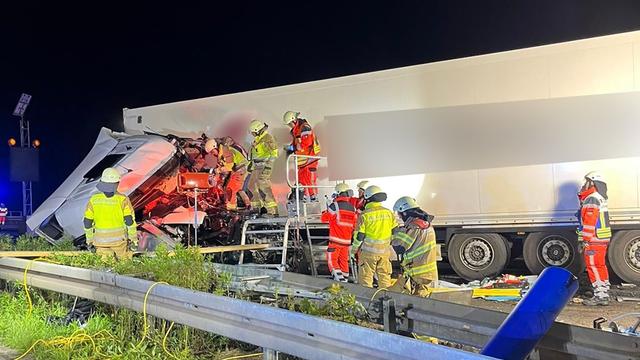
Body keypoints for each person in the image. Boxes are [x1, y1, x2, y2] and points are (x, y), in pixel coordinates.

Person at [83, 168, 138, 260]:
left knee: (106, 265)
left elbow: (87, 222)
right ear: (117, 183)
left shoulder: (93, 200)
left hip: (100, 243)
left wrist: (89, 240)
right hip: (119, 242)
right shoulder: (122, 199)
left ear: (102, 182)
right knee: (123, 266)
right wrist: (133, 239)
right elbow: (129, 221)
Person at [352, 185, 398, 288]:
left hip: (368, 253)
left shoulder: (364, 215)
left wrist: (353, 251)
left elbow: (359, 236)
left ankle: (368, 302)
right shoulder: (388, 213)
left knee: (366, 281)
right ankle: (386, 300)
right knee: (385, 280)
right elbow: (395, 231)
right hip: (385, 253)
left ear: (367, 198)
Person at [392, 196, 438, 297]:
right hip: (426, 272)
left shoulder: (414, 226)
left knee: (402, 297)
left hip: (417, 273)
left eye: (400, 214)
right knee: (420, 298)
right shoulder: (426, 224)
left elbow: (399, 247)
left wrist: (396, 234)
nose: (399, 217)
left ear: (405, 212)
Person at [577, 171, 612, 306]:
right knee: (600, 265)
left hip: (593, 240)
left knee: (593, 266)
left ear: (592, 182)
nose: (584, 184)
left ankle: (600, 296)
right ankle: (604, 292)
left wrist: (584, 240)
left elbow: (589, 222)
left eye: (586, 181)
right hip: (600, 239)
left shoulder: (592, 198)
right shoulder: (599, 197)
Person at [321, 183, 358, 282]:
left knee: (332, 260)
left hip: (335, 241)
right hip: (346, 241)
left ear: (337, 193)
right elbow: (355, 224)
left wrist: (326, 210)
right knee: (343, 262)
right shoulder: (352, 208)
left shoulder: (334, 206)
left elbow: (323, 218)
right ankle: (345, 281)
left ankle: (339, 281)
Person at [282, 111, 321, 202]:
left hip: (310, 159)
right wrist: (290, 148)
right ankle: (302, 199)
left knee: (309, 180)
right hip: (303, 161)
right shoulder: (296, 130)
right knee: (301, 181)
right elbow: (297, 143)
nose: (289, 126)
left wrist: (292, 147)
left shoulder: (304, 127)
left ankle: (314, 199)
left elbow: (307, 142)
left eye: (289, 124)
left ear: (293, 121)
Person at [206, 138, 251, 211]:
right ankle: (247, 205)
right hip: (237, 170)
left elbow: (229, 166)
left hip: (240, 169)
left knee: (231, 188)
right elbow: (223, 167)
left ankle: (231, 208)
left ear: (215, 147)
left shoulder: (226, 151)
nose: (212, 154)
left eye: (212, 152)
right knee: (237, 189)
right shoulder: (221, 154)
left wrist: (217, 170)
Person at [246, 119, 279, 216]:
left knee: (263, 185)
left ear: (256, 130)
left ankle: (272, 210)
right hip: (257, 166)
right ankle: (257, 208)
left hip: (265, 165)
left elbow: (274, 153)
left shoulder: (267, 138)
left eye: (252, 132)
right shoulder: (259, 139)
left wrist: (268, 166)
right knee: (251, 185)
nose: (252, 134)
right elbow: (255, 155)